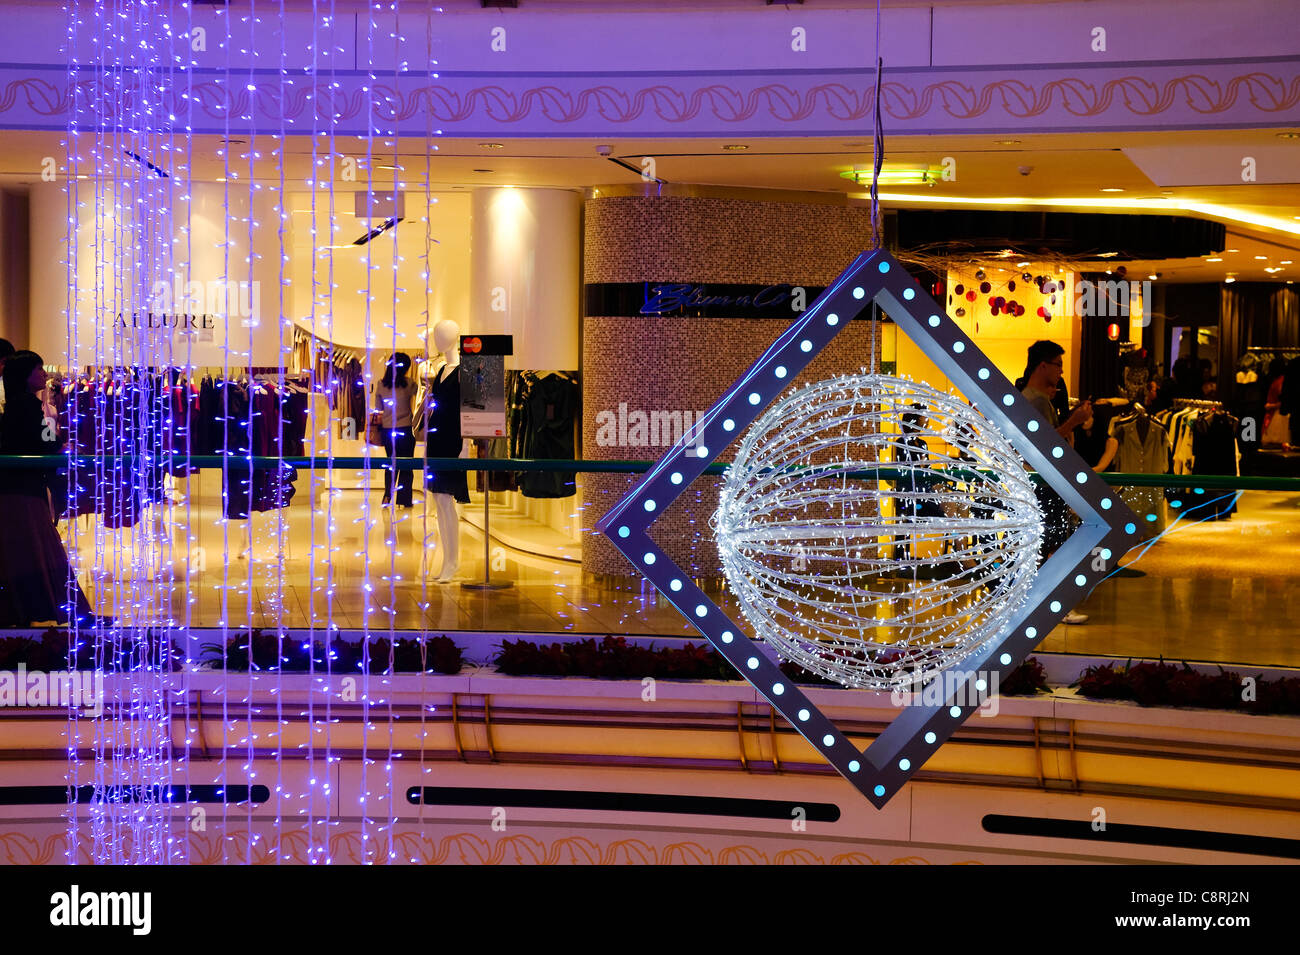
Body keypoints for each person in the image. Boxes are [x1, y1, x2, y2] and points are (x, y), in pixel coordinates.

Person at [0, 350, 97, 627]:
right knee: (38, 546)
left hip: (20, 487)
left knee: (31, 548)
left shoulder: (23, 404)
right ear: (25, 375)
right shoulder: (27, 405)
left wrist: (57, 445)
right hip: (23, 489)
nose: (44, 374)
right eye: (38, 369)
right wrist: (60, 447)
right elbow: (45, 441)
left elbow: (44, 439)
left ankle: (32, 611)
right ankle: (65, 611)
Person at [1021, 340, 1091, 624]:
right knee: (1052, 544)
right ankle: (1051, 606)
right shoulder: (1036, 400)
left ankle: (1038, 605)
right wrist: (1074, 422)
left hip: (1041, 484)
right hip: (1045, 484)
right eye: (1059, 365)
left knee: (1047, 545)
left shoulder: (1034, 398)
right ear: (1043, 366)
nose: (1061, 372)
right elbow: (1045, 446)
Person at [374, 352, 418, 507]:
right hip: (405, 429)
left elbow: (378, 408)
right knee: (406, 465)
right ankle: (405, 500)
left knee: (391, 463)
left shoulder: (381, 384)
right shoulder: (410, 384)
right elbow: (421, 399)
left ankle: (387, 496)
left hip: (388, 430)